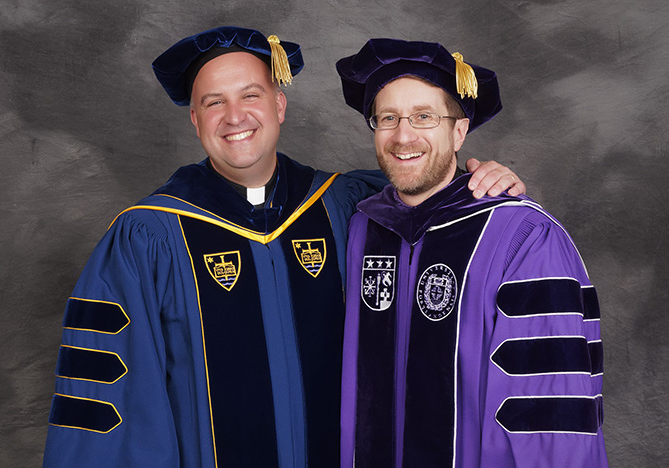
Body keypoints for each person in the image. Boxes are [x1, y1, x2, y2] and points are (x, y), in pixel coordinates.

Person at [42, 27, 525, 468]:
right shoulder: (149, 237)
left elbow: (427, 183)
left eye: (251, 95)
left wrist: (478, 179)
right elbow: (115, 406)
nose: (235, 117)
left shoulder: (347, 205)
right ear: (194, 119)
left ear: (279, 106)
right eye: (214, 103)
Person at [336, 39, 608, 468]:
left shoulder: (523, 236)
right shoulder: (363, 227)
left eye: (424, 117)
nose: (403, 135)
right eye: (388, 118)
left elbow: (550, 413)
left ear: (459, 130)